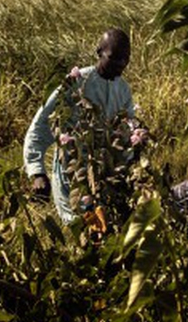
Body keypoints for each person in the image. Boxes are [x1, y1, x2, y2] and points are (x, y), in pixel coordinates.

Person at [24, 28, 136, 224]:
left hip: (105, 175)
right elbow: (42, 123)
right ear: (99, 52)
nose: (120, 64)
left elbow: (127, 132)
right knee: (80, 227)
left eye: (125, 59)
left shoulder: (123, 90)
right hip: (72, 174)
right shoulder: (76, 82)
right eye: (114, 57)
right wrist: (37, 172)